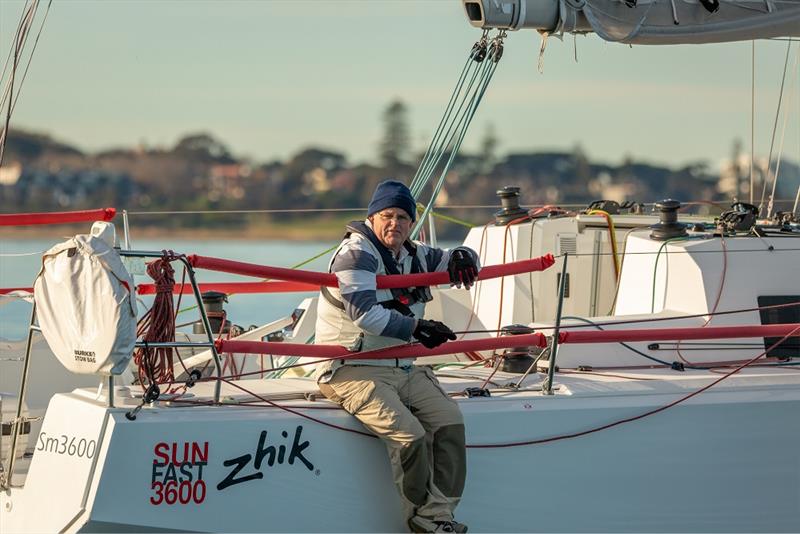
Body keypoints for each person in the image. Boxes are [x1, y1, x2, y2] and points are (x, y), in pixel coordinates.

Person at [315, 180, 480, 534]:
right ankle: (422, 520)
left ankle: (439, 515)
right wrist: (418, 327)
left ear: (412, 223)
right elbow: (364, 315)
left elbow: (453, 260)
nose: (395, 223)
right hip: (352, 370)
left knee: (450, 422)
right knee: (410, 436)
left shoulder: (414, 253)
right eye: (387, 215)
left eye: (403, 217)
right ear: (372, 217)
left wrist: (467, 257)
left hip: (402, 366)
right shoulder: (356, 254)